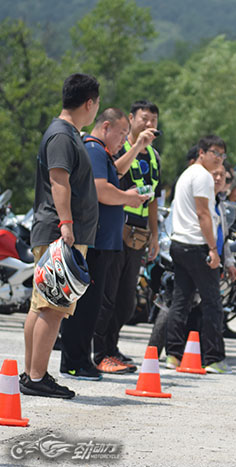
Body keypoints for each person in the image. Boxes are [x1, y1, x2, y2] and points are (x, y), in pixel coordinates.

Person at [21, 73, 100, 399]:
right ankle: (37, 376)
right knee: (53, 308)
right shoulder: (62, 136)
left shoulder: (68, 134)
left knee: (42, 306)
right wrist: (66, 224)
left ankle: (31, 373)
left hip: (59, 229)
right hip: (59, 231)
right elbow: (59, 181)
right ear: (89, 103)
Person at [59, 108, 152, 380]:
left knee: (96, 304)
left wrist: (136, 146)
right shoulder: (95, 150)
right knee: (88, 306)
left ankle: (81, 359)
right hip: (97, 240)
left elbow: (116, 169)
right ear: (106, 127)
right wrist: (127, 197)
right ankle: (76, 361)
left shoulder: (103, 153)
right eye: (122, 133)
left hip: (105, 240)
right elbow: (101, 189)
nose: (124, 139)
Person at [94, 100, 162, 371]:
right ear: (132, 119)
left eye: (154, 120)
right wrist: (136, 147)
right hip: (116, 229)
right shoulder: (121, 147)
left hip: (140, 232)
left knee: (126, 300)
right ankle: (100, 353)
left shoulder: (155, 156)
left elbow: (153, 198)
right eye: (144, 119)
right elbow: (114, 175)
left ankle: (112, 347)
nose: (149, 125)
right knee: (107, 296)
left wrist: (155, 235)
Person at [164, 134, 231, 374]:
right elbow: (204, 214)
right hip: (196, 245)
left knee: (180, 301)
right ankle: (213, 358)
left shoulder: (188, 173)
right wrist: (213, 249)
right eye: (215, 153)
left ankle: (173, 354)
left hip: (179, 243)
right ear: (201, 152)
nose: (219, 159)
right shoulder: (202, 176)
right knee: (212, 303)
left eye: (222, 155)